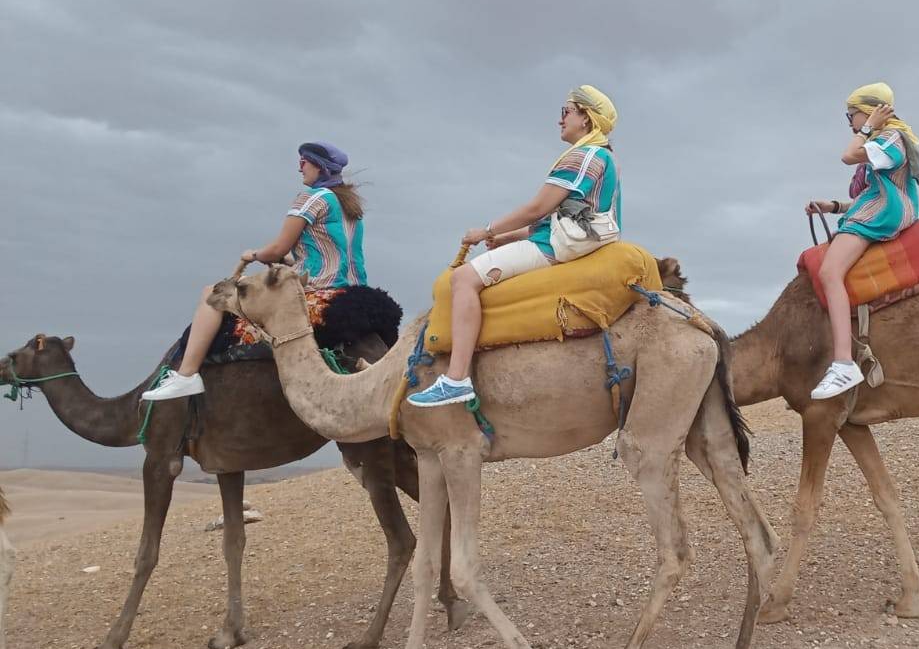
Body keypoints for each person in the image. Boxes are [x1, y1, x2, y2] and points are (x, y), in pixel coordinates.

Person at [408, 85, 620, 408]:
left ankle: (456, 378)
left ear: (586, 120)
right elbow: (561, 221)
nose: (560, 119)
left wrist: (485, 230)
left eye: (566, 111)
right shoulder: (603, 157)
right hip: (560, 243)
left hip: (555, 251)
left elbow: (537, 209)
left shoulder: (584, 156)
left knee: (463, 279)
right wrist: (508, 238)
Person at [142, 142, 367, 401]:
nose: (300, 167)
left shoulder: (312, 199)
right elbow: (326, 255)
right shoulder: (349, 206)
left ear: (320, 166)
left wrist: (254, 255)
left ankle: (186, 375)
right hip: (351, 291)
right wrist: (288, 260)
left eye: (304, 161)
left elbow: (276, 249)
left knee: (211, 294)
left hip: (317, 291)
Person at [805, 82, 919, 400]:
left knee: (830, 273)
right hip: (880, 208)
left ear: (869, 112)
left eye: (852, 116)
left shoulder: (891, 137)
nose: (851, 123)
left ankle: (843, 363)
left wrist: (868, 128)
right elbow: (873, 192)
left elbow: (848, 156)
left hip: (882, 214)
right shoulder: (890, 141)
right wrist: (833, 207)